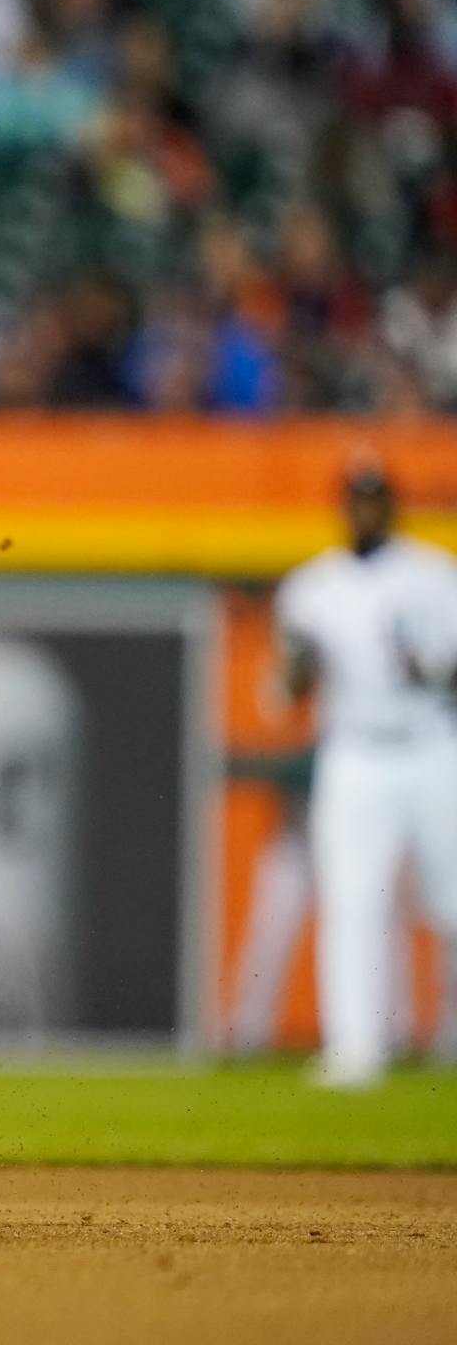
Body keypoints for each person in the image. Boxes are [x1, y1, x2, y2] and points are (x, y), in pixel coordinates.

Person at [274, 462, 457, 1087]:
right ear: (343, 506)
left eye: (377, 500)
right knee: (352, 900)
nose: (367, 511)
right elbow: (283, 693)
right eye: (357, 500)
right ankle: (356, 1050)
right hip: (353, 752)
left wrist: (428, 671)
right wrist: (299, 667)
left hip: (433, 744)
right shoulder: (310, 589)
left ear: (394, 506)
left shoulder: (436, 575)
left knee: (452, 902)